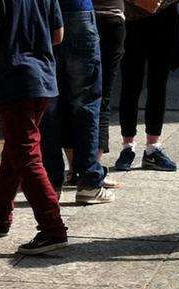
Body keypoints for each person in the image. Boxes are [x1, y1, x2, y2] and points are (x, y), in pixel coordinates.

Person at [0, 0, 69, 254]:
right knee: (16, 147)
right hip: (44, 78)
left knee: (26, 155)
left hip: (16, 78)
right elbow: (58, 35)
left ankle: (52, 227)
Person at [39, 0, 116, 204]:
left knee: (48, 104)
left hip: (44, 16)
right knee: (86, 102)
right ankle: (89, 182)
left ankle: (50, 184)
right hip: (78, 12)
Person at [114, 0, 179, 172]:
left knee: (158, 84)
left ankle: (153, 147)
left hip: (165, 16)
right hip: (132, 18)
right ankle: (127, 146)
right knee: (130, 83)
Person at [93, 0, 126, 162]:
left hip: (77, 16)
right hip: (111, 19)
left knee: (74, 95)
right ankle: (94, 167)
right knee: (102, 96)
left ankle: (74, 167)